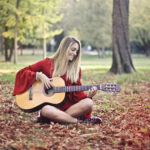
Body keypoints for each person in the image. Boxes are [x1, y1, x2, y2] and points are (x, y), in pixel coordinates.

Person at [13, 36, 102, 124]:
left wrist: (88, 96)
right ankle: (77, 121)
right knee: (46, 110)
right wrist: (39, 75)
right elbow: (21, 73)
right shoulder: (47, 63)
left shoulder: (76, 70)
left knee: (89, 103)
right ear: (64, 48)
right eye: (73, 49)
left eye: (77, 51)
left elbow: (77, 94)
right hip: (52, 108)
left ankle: (57, 118)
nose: (75, 53)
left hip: (69, 108)